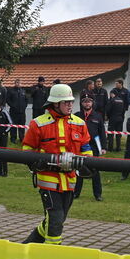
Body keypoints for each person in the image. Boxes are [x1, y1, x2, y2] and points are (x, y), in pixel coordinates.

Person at [21, 84, 93, 244]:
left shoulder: (80, 124)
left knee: (56, 219)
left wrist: (86, 163)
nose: (70, 105)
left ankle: (27, 247)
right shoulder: (38, 124)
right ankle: (53, 255)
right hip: (48, 181)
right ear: (55, 103)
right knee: (56, 218)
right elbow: (27, 149)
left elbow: (86, 148)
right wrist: (36, 162)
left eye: (71, 101)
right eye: (65, 102)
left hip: (70, 181)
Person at [74, 97, 106, 200]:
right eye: (85, 102)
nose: (87, 104)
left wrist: (103, 147)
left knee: (95, 171)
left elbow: (102, 133)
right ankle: (75, 193)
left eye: (89, 102)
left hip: (94, 147)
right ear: (82, 103)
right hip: (79, 147)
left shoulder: (98, 116)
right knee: (78, 169)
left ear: (92, 103)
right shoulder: (76, 116)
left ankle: (98, 195)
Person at [105, 79, 129, 151]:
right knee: (118, 133)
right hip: (120, 119)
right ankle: (118, 148)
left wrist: (108, 116)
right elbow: (123, 110)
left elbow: (108, 110)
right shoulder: (121, 101)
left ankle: (110, 148)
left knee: (111, 134)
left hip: (113, 118)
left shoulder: (111, 101)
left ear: (113, 94)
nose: (110, 95)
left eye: (111, 94)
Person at [7, 79, 27, 143]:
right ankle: (13, 139)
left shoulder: (23, 91)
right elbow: (8, 100)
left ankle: (22, 138)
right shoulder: (11, 91)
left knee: (22, 126)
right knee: (14, 126)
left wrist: (24, 107)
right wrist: (13, 106)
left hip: (22, 112)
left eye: (19, 83)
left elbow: (26, 100)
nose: (18, 84)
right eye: (17, 83)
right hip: (14, 112)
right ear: (15, 83)